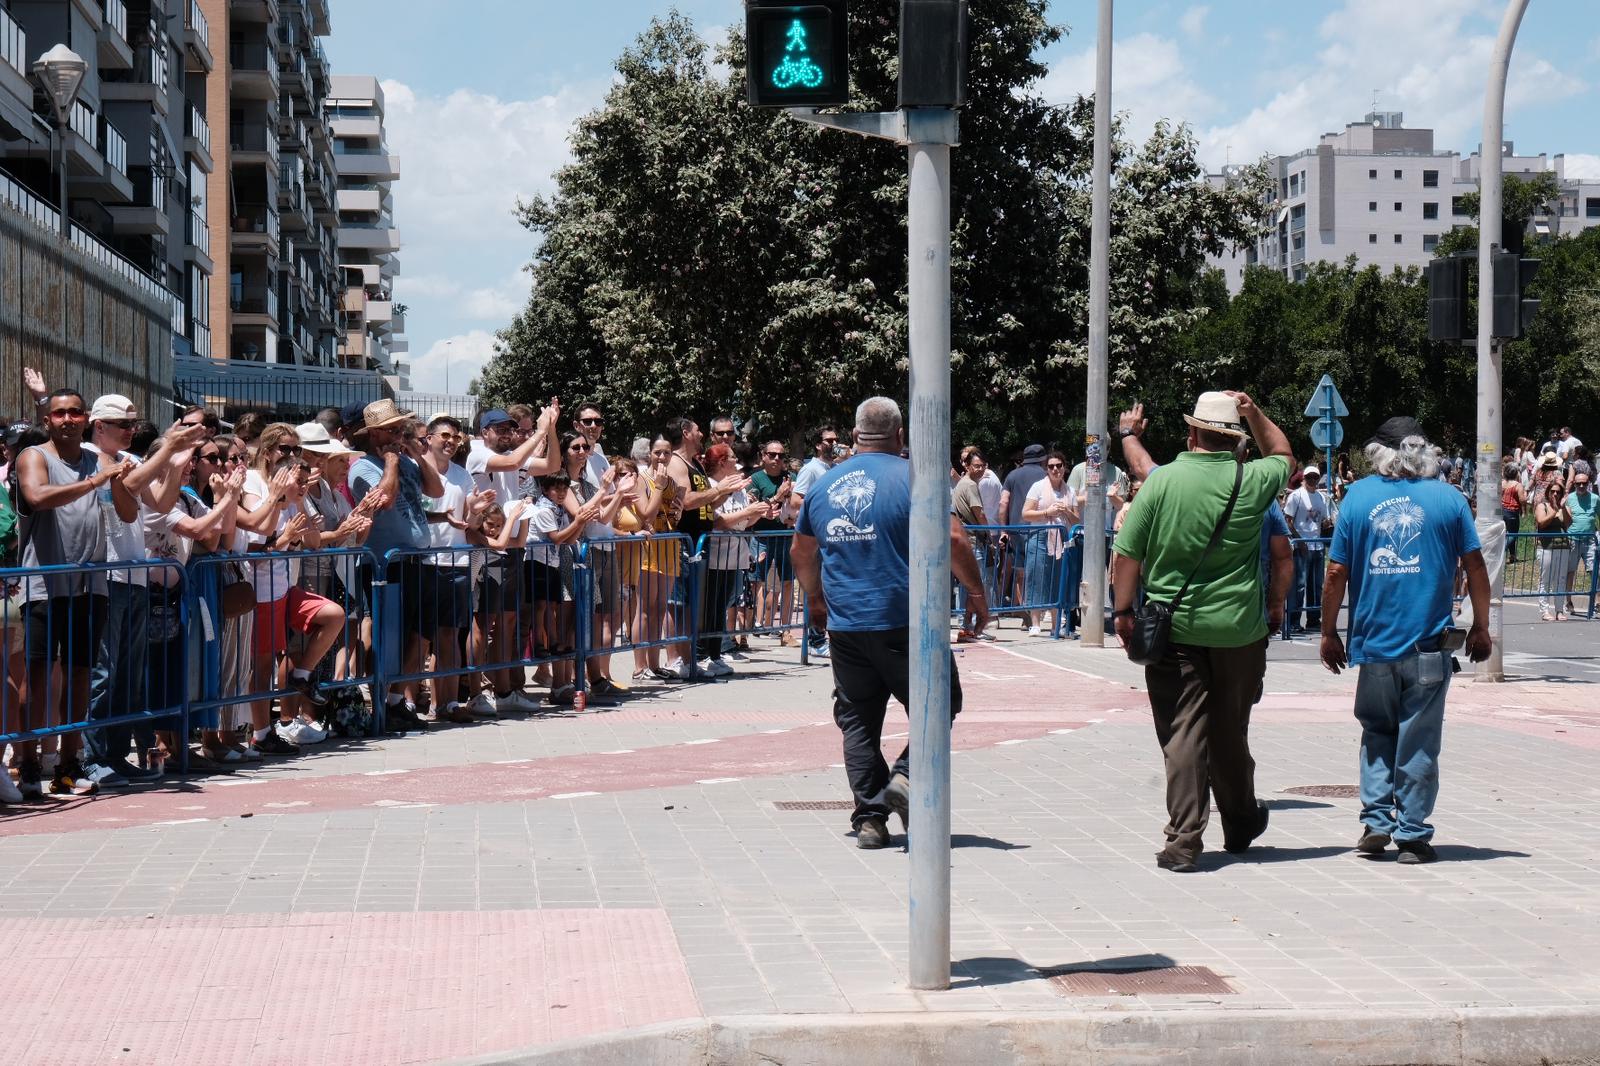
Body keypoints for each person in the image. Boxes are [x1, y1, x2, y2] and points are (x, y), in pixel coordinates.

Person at [790, 397, 989, 850]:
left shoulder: (824, 485)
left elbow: (801, 551)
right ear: (900, 435)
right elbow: (955, 537)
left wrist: (816, 599)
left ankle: (870, 820)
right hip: (906, 623)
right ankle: (906, 776)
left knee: (858, 721)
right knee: (941, 702)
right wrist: (977, 595)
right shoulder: (915, 478)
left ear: (854, 434)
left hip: (846, 625)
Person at [1111, 391, 1293, 873]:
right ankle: (1241, 820)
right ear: (1235, 439)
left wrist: (1123, 612)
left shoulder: (1162, 481)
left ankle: (1184, 840)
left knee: (1183, 732)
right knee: (1230, 732)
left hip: (1175, 630)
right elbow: (1283, 453)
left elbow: (1127, 555)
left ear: (1192, 432)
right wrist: (1254, 412)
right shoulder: (1253, 478)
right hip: (1240, 631)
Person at [1319, 416, 1492, 864]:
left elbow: (1336, 572)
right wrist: (1481, 625)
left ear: (1379, 454)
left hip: (1374, 643)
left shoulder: (1357, 498)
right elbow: (1475, 565)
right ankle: (1412, 835)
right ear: (1425, 453)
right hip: (1429, 646)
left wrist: (1328, 632)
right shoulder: (1449, 499)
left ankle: (1377, 821)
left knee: (1377, 730)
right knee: (1418, 738)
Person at [348, 399, 444, 728]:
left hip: (416, 558)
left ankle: (395, 700)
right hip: (385, 564)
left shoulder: (407, 462)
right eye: (392, 430)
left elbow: (436, 489)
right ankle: (379, 703)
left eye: (400, 428)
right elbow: (385, 500)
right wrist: (390, 461)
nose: (398, 434)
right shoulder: (362, 467)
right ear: (374, 433)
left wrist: (417, 455)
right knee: (388, 637)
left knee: (419, 634)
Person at [1020, 450, 1078, 635]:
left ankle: (1055, 625)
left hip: (1062, 537)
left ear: (1064, 467)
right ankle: (1035, 623)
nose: (1055, 469)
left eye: (1058, 466)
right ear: (1046, 469)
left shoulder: (1070, 491)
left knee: (1057, 580)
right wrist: (1047, 513)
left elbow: (1076, 520)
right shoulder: (1038, 487)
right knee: (1036, 577)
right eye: (1051, 466)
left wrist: (1066, 511)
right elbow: (1026, 513)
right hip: (1039, 535)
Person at [998, 443, 1048, 616]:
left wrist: (1003, 530)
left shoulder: (1012, 475)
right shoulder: (1046, 475)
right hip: (1040, 528)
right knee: (1040, 571)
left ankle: (1023, 610)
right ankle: (1038, 610)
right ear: (1042, 459)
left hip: (1016, 530)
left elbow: (1003, 503)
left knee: (1020, 572)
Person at [1282, 465, 1333, 636]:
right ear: (1304, 478)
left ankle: (1313, 619)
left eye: (1315, 477)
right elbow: (1288, 521)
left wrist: (1327, 523)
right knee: (1299, 585)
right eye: (1309, 477)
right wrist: (1300, 541)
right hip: (1301, 546)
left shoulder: (1321, 497)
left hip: (1317, 545)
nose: (1312, 480)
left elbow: (1323, 520)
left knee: (1316, 585)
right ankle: (1293, 621)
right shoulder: (1296, 496)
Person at [1533, 479, 1572, 622]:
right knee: (1546, 580)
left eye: (1558, 492)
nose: (1555, 494)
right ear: (1548, 493)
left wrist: (1562, 508)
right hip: (1546, 548)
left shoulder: (1564, 508)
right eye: (1553, 491)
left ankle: (1559, 610)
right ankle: (1544, 610)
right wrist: (1554, 511)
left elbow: (1568, 523)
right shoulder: (1542, 506)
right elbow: (1541, 523)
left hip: (1562, 547)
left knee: (1561, 579)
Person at [1564, 470, 1596, 615]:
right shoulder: (1569, 498)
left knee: (1595, 572)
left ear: (1588, 483)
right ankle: (1568, 601)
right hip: (1573, 540)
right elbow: (1565, 519)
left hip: (1590, 540)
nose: (1581, 486)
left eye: (1584, 483)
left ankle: (1598, 602)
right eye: (1578, 484)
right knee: (1570, 572)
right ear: (1574, 484)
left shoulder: (1595, 498)